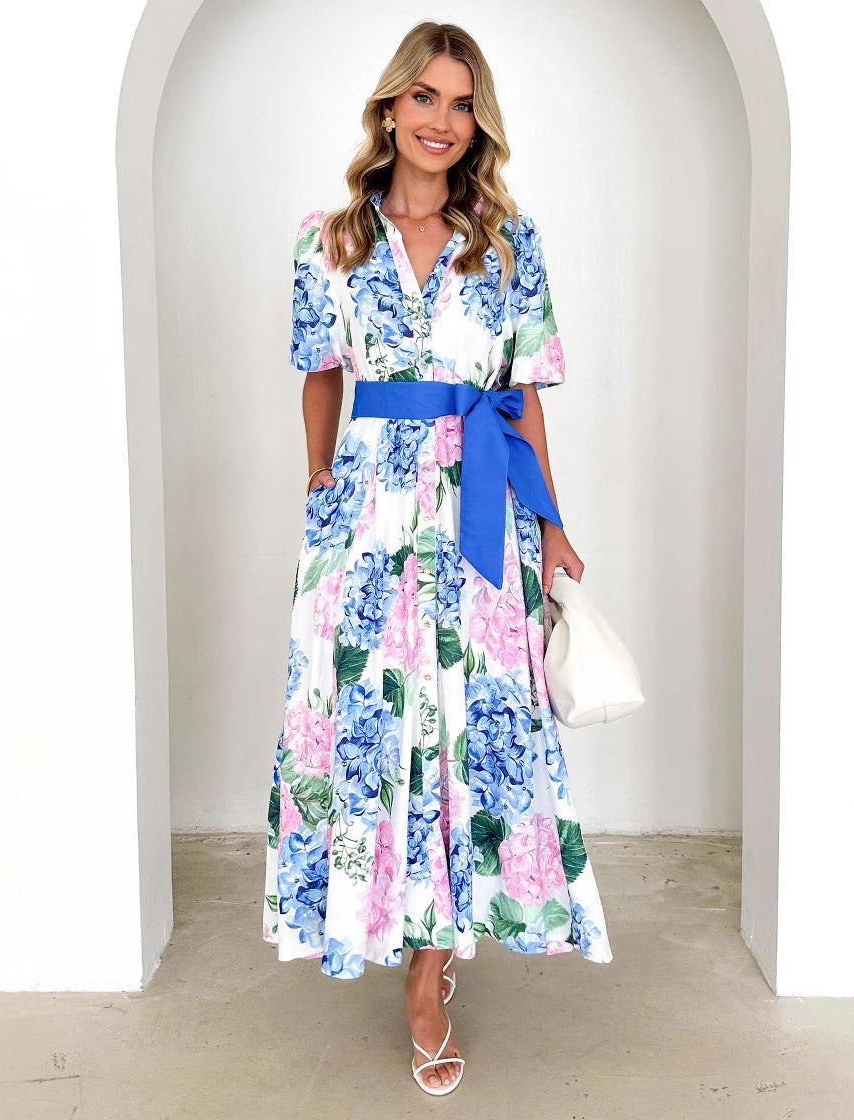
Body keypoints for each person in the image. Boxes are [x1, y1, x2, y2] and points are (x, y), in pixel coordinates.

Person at [262, 19, 613, 1096]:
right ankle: (390, 923)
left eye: (462, 104)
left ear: (478, 122)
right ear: (389, 106)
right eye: (425, 97)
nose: (442, 121)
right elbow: (320, 374)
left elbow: (523, 394)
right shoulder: (328, 239)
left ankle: (427, 980)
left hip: (478, 510)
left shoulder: (509, 243)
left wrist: (551, 524)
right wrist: (318, 482)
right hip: (365, 519)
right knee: (373, 728)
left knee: (466, 732)